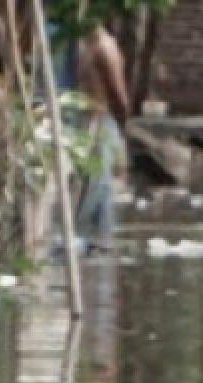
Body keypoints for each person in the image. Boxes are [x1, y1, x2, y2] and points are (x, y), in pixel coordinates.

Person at [76, 23, 129, 253]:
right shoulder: (86, 43)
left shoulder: (104, 47)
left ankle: (99, 241)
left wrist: (121, 123)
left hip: (102, 120)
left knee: (100, 184)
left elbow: (118, 95)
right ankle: (92, 241)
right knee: (94, 183)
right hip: (90, 121)